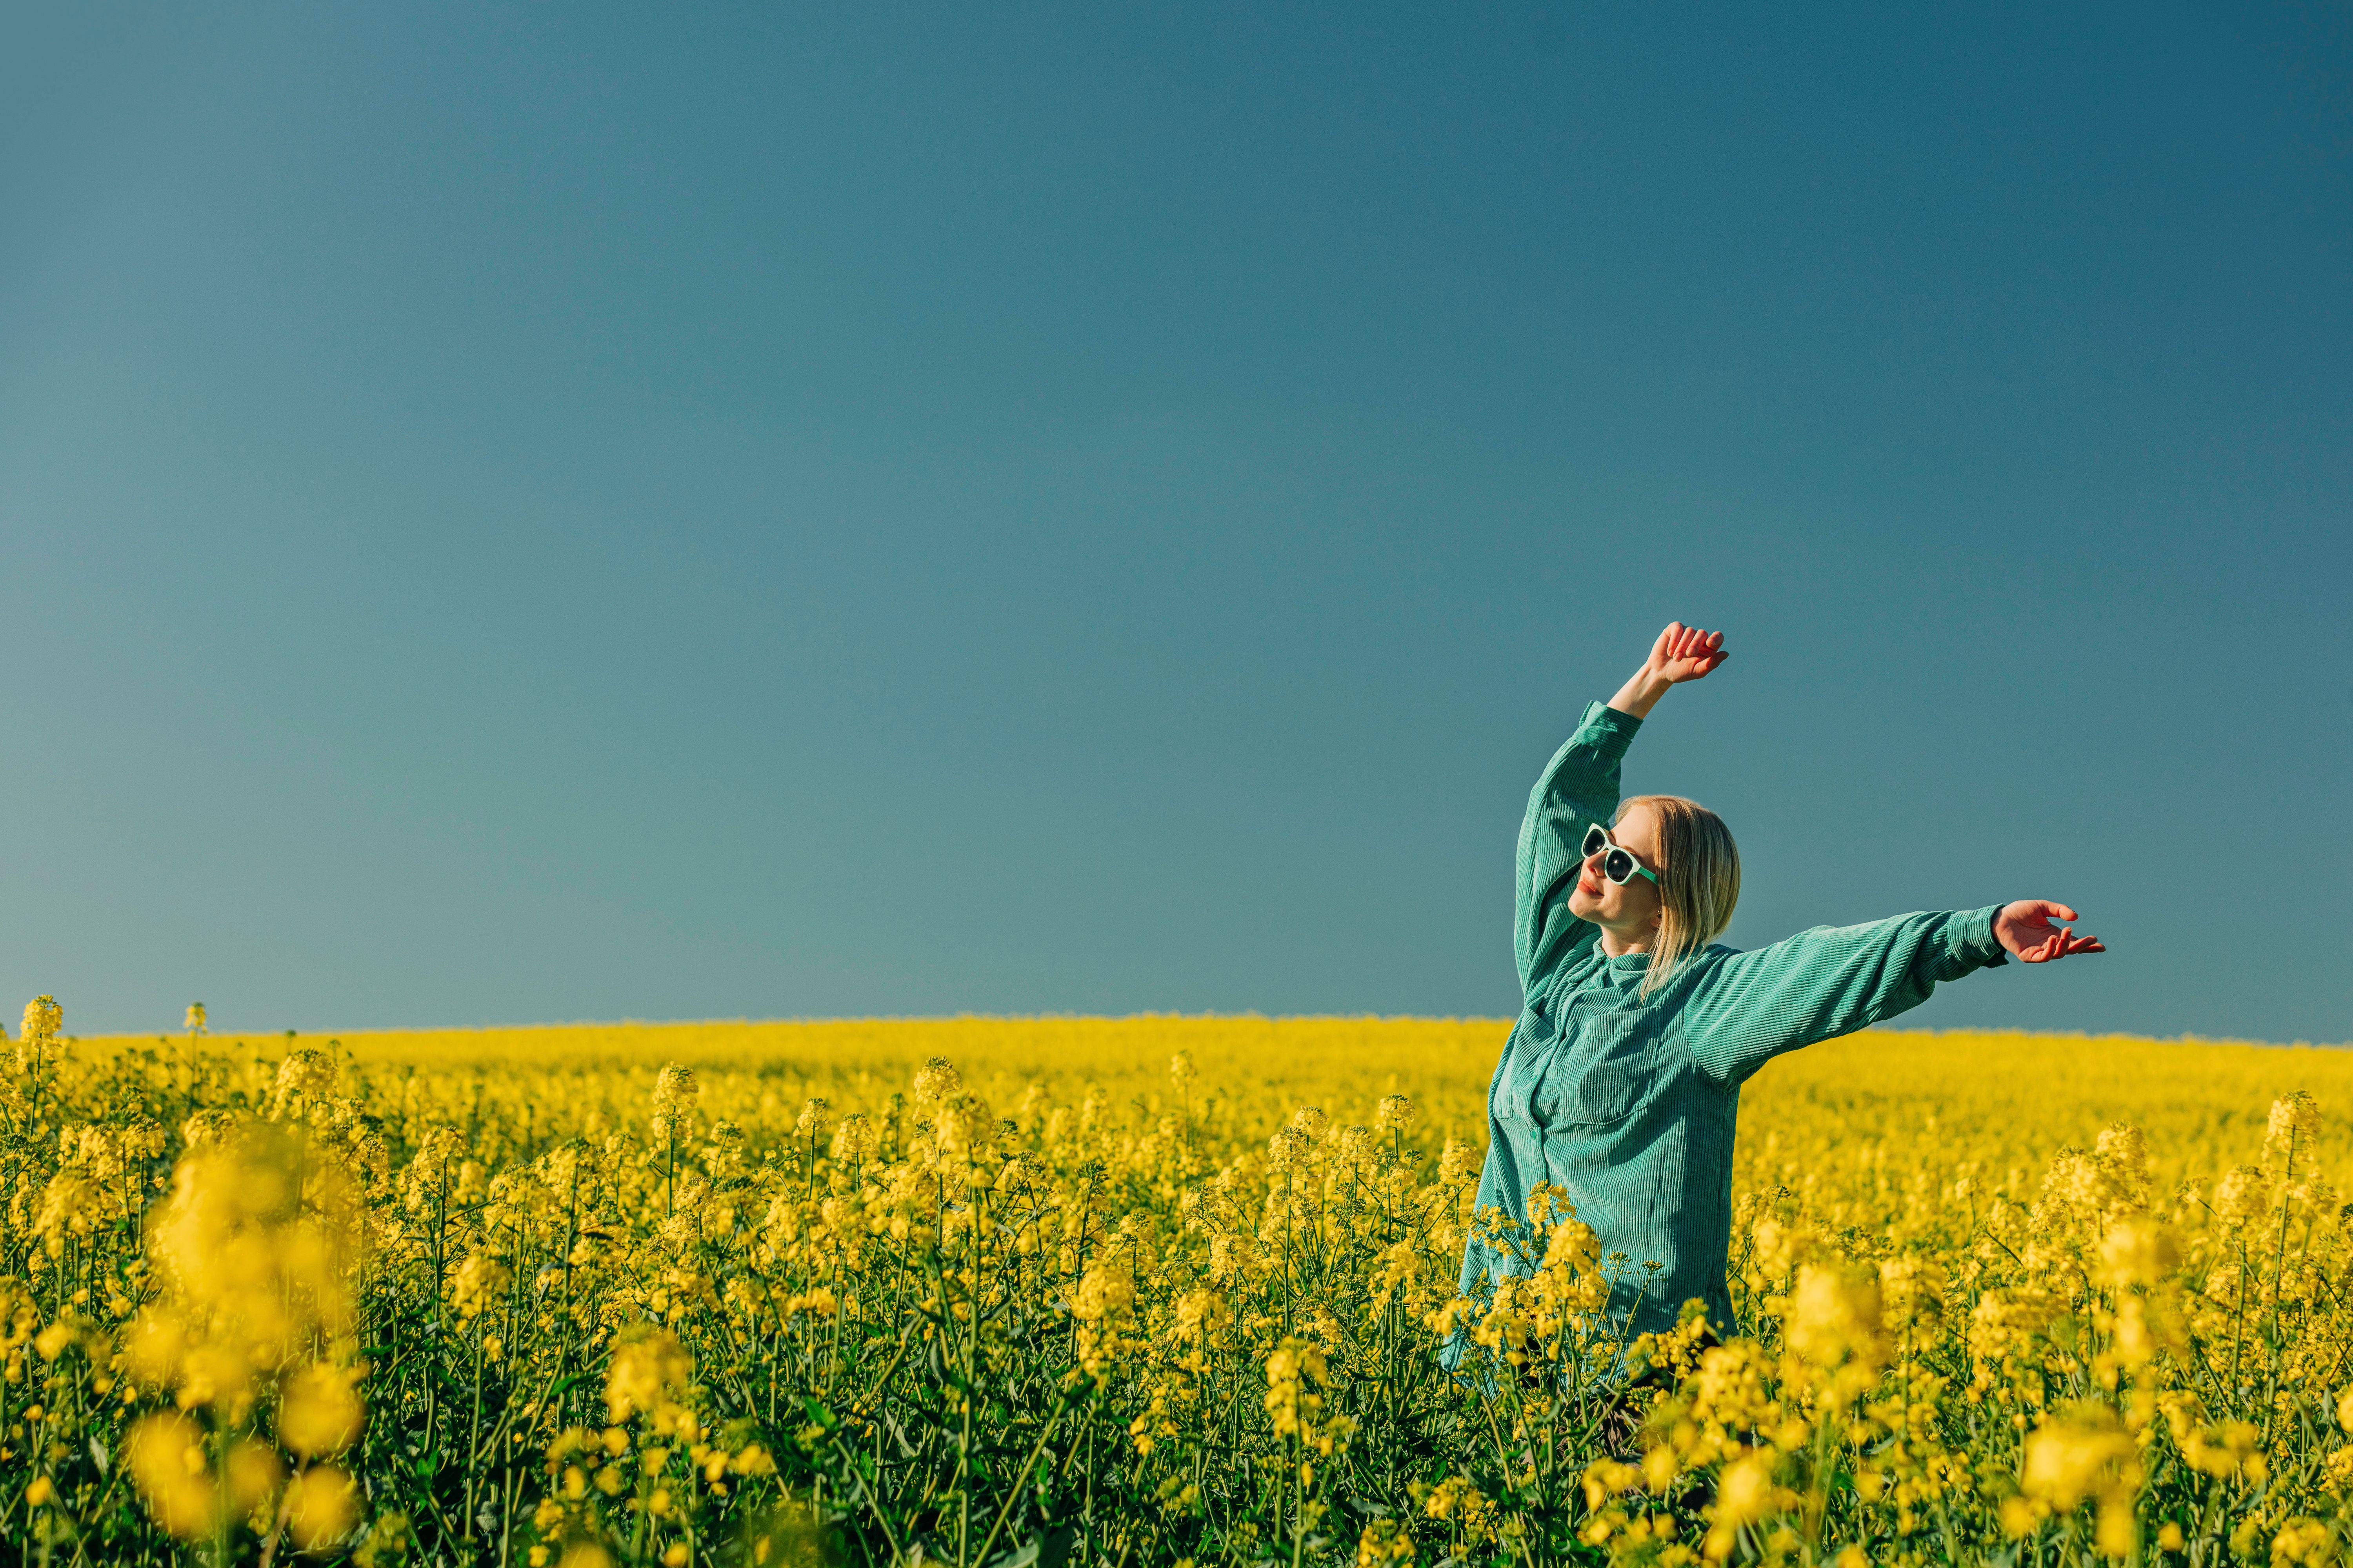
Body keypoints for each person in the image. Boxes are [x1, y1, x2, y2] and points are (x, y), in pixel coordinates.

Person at [1453, 621, 2104, 1354]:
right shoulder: (1558, 968)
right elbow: (1555, 809)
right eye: (1601, 846)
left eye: (1624, 864)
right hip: (1504, 1364)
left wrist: (1975, 933)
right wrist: (1650, 684)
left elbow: (1832, 965)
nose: (1596, 863)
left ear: (1675, 899)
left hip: (1637, 1373)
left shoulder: (1702, 1001)